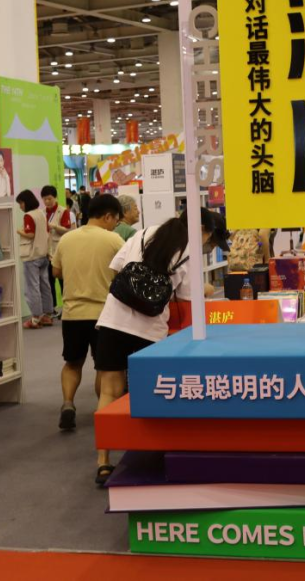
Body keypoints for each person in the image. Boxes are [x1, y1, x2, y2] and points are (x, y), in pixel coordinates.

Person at [94, 208, 224, 486]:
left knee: (108, 391)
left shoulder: (143, 233)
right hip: (149, 330)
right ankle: (146, 452)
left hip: (112, 320)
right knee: (147, 394)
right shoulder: (188, 250)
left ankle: (102, 462)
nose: (206, 242)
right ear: (201, 229)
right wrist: (207, 289)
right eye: (209, 236)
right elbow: (187, 297)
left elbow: (116, 269)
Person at [52, 194, 123, 431]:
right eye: (115, 220)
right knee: (104, 366)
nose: (115, 225)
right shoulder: (113, 240)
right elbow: (125, 272)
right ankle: (102, 410)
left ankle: (68, 403)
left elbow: (56, 272)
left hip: (72, 313)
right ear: (108, 216)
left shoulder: (67, 239)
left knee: (72, 363)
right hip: (103, 315)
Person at [16, 189, 52, 329]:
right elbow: (47, 231)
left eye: (20, 203)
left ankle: (36, 318)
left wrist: (19, 231)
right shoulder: (42, 213)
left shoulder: (29, 216)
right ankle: (47, 315)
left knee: (32, 288)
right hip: (43, 254)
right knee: (45, 285)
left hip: (31, 256)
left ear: (26, 202)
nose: (20, 206)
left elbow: (30, 234)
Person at [43, 185, 74, 317]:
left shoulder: (63, 211)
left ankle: (66, 308)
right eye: (45, 199)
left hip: (60, 251)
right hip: (48, 252)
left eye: (49, 198)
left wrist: (54, 226)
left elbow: (67, 230)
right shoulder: (43, 213)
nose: (47, 201)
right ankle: (52, 308)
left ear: (55, 197)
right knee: (49, 281)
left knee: (63, 280)